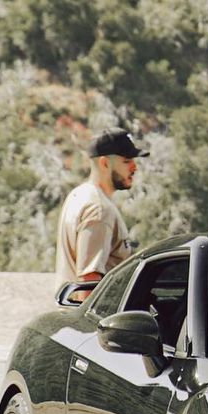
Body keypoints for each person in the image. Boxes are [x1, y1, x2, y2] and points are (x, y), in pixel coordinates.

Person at [55, 128, 148, 300]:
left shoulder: (79, 195)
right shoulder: (99, 209)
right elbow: (88, 281)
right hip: (90, 315)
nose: (134, 167)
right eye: (127, 161)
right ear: (104, 163)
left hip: (70, 311)